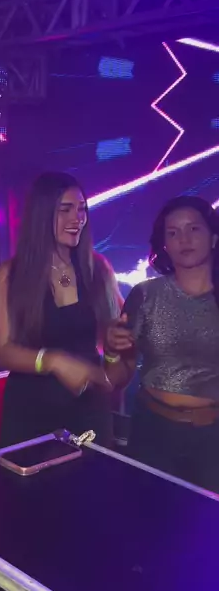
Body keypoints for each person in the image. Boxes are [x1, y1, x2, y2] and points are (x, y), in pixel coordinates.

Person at [0, 172, 122, 447]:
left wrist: (117, 348)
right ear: (42, 215)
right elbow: (2, 350)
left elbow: (116, 334)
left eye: (82, 209)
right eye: (66, 210)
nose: (77, 218)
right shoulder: (10, 275)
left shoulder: (99, 268)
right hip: (30, 413)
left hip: (88, 410)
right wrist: (54, 361)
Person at [105, 195, 219, 492]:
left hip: (213, 439)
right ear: (164, 244)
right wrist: (112, 352)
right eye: (173, 232)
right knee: (149, 513)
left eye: (193, 229)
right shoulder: (145, 295)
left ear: (213, 237)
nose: (184, 239)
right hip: (154, 432)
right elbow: (118, 376)